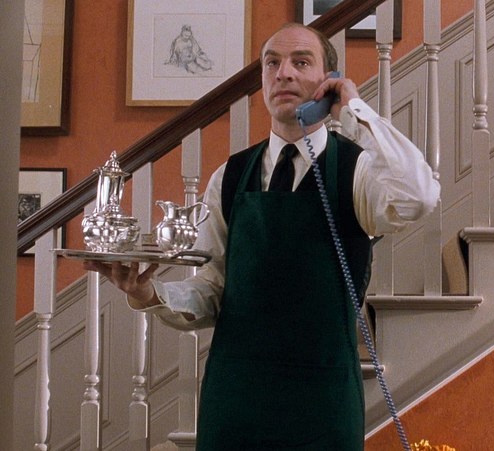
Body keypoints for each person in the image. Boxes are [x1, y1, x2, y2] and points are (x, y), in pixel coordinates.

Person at [84, 23, 440, 450]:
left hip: (323, 403)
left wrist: (353, 110)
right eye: (272, 63)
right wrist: (149, 295)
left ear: (328, 81)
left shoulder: (358, 170)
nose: (283, 73)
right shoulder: (230, 176)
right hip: (236, 401)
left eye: (301, 62)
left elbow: (418, 197)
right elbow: (212, 289)